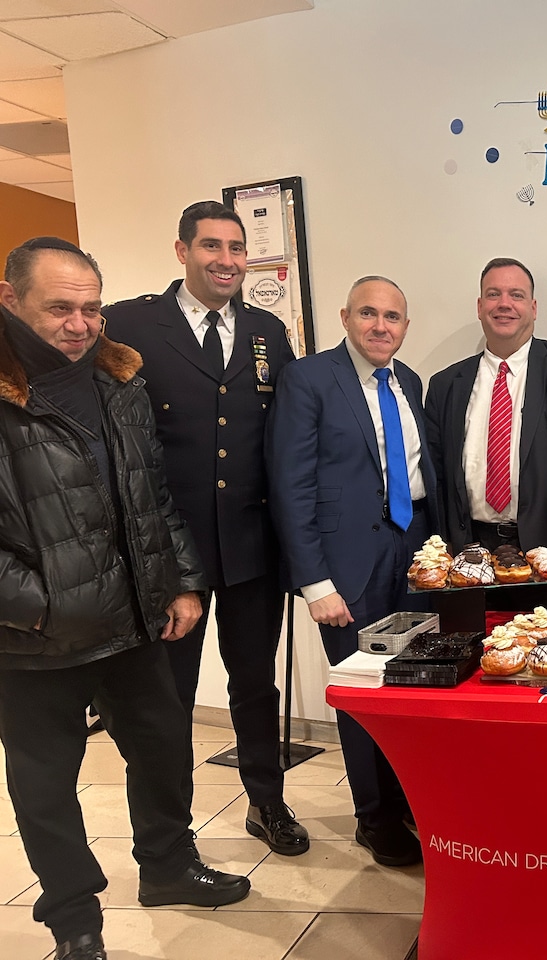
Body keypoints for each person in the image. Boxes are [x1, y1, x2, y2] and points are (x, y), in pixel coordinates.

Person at [0, 237, 250, 960]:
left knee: (165, 746)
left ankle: (169, 868)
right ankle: (75, 919)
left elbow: (154, 496)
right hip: (34, 641)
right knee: (46, 785)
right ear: (11, 300)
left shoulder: (119, 380)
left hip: (135, 621)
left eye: (91, 308)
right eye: (60, 308)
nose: (81, 324)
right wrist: (42, 604)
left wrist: (181, 579)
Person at [102, 201, 307, 857]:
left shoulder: (268, 331)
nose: (226, 260)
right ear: (182, 250)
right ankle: (168, 836)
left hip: (251, 546)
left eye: (237, 248)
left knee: (255, 683)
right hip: (169, 553)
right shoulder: (132, 325)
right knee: (169, 697)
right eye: (212, 246)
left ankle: (267, 803)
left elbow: (288, 435)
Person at [268, 276, 438, 867]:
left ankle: (407, 800)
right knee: (364, 694)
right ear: (345, 316)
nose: (380, 326)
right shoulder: (310, 379)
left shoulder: (410, 382)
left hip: (411, 556)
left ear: (405, 326)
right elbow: (290, 487)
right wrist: (315, 582)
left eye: (393, 316)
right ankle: (374, 817)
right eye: (368, 313)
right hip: (346, 570)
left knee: (410, 691)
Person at [424, 257, 547, 554]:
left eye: (516, 295)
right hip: (469, 553)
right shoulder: (445, 385)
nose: (504, 304)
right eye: (493, 294)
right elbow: (437, 477)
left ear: (533, 309)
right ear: (480, 307)